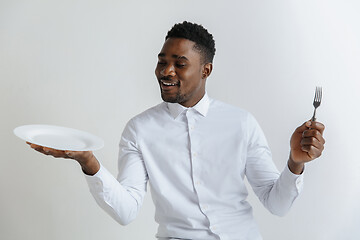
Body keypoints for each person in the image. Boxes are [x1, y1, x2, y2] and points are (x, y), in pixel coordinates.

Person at [28, 21, 325, 240]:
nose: (165, 72)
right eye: (162, 62)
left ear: (205, 70)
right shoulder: (139, 130)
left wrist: (295, 163)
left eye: (179, 64)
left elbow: (278, 204)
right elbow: (126, 211)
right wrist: (89, 163)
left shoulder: (241, 123)